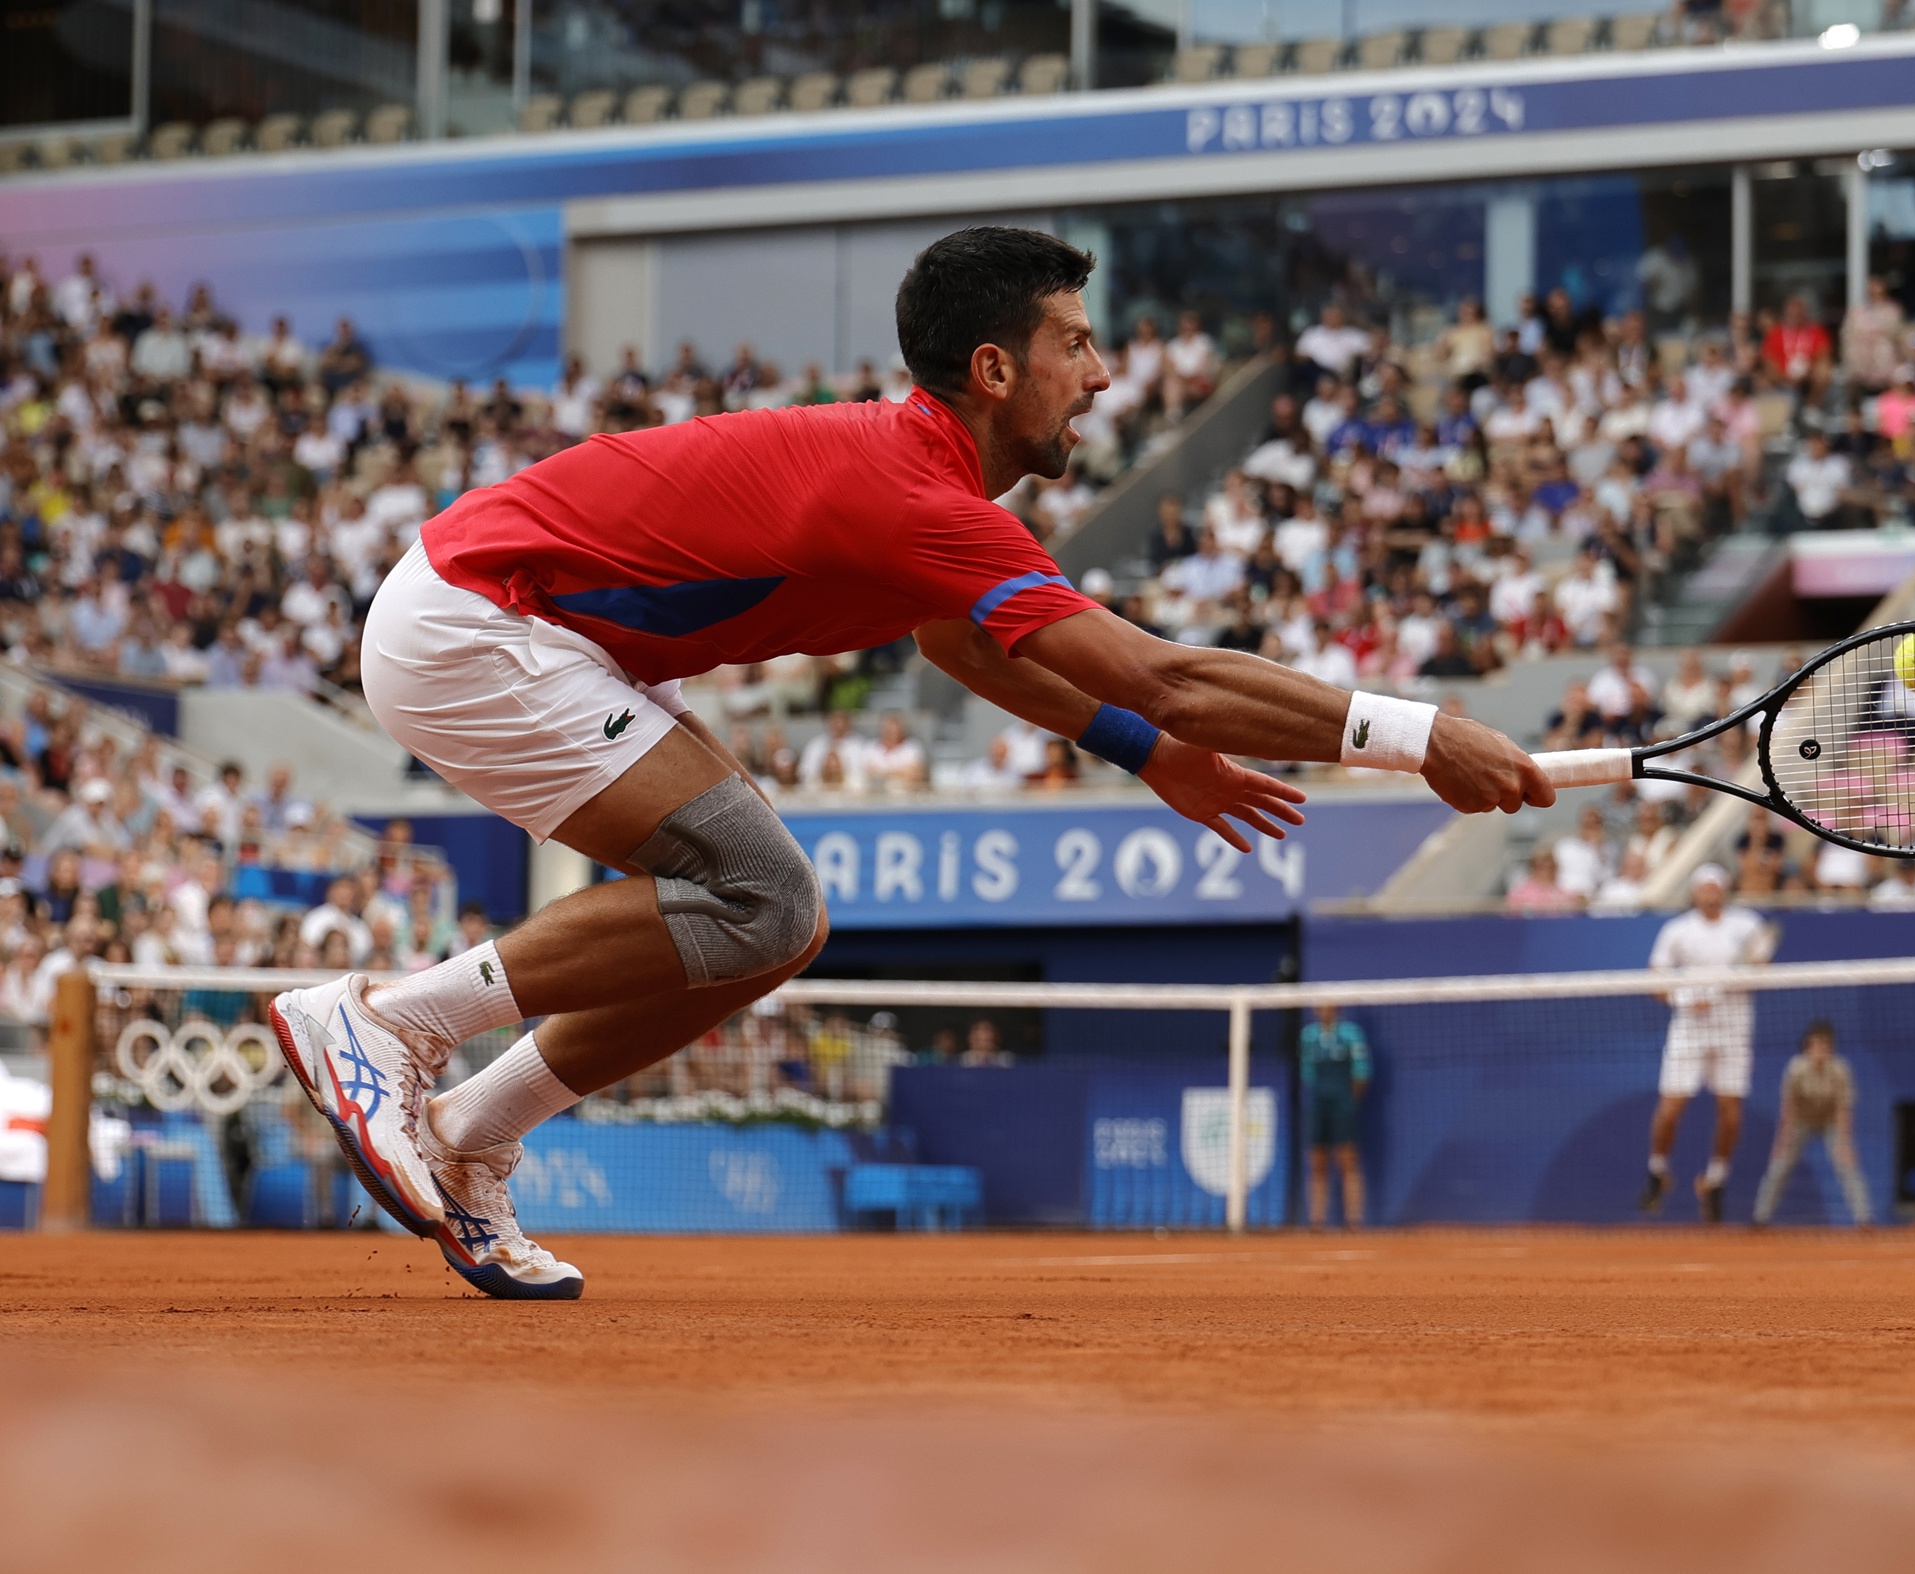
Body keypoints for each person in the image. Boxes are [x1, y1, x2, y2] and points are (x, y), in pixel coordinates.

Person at [271, 228, 1551, 1299]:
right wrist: (1416, 732)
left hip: (529, 629)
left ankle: (467, 1135)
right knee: (756, 889)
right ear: (995, 367)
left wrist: (1154, 754)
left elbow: (969, 651)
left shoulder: (937, 494)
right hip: (480, 618)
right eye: (1077, 344)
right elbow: (1161, 665)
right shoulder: (912, 493)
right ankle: (383, 1024)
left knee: (773, 925)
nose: (1101, 375)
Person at [1641, 864, 1773, 1223]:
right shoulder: (1677, 930)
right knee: (1671, 1108)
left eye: (1717, 887)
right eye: (1705, 888)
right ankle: (1657, 1170)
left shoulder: (1747, 925)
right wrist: (1687, 1000)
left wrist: (1739, 981)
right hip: (1689, 1030)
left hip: (1734, 1028)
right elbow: (1657, 983)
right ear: (1696, 892)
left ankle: (1715, 1179)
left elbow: (1760, 971)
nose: (1711, 894)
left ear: (1725, 891)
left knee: (1730, 1113)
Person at [1751, 1021, 1872, 1228]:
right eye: (1817, 1044)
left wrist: (1844, 1143)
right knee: (1779, 1166)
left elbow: (1843, 1108)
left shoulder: (1840, 1069)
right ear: (1808, 1045)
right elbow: (1789, 1106)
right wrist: (1783, 1140)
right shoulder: (1796, 1068)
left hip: (1830, 1122)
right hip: (1801, 1122)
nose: (1821, 1049)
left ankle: (1864, 1219)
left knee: (1848, 1165)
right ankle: (1760, 1219)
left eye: (1826, 1044)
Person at [1299, 1003, 1372, 1228]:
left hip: (1343, 1103)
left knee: (1347, 1158)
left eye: (1329, 1006)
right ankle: (1316, 1220)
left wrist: (1349, 1101)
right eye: (1320, 1006)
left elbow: (1362, 1071)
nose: (1324, 1010)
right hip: (1320, 1103)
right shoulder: (1308, 1036)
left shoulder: (1351, 1034)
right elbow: (1307, 1071)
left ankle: (1354, 1220)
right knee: (1317, 1159)